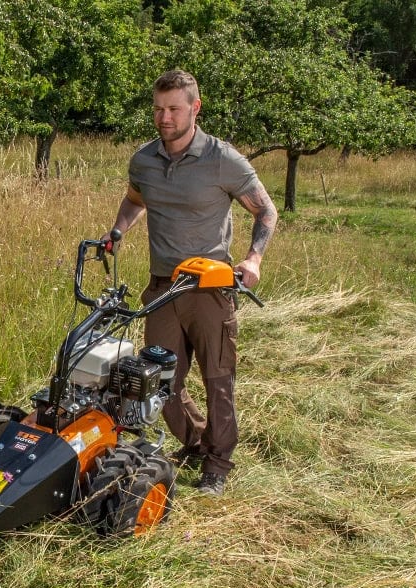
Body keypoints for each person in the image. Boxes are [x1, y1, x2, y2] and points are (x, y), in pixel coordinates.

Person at [103, 69, 278, 496]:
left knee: (218, 379)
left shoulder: (223, 159)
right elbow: (135, 199)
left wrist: (253, 258)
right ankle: (197, 443)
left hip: (210, 288)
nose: (164, 118)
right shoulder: (144, 160)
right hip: (162, 288)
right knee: (160, 380)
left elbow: (266, 211)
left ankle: (218, 465)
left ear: (195, 108)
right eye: (158, 109)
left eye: (174, 109)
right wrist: (117, 230)